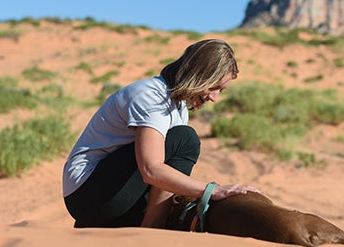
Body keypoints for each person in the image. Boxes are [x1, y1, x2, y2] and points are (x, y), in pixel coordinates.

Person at [62, 38, 261, 229]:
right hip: (88, 194)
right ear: (198, 76)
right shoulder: (151, 96)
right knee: (185, 139)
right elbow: (151, 170)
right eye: (214, 87)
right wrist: (212, 191)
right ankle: (152, 231)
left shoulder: (178, 107)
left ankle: (140, 224)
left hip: (111, 194)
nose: (214, 98)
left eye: (221, 91)